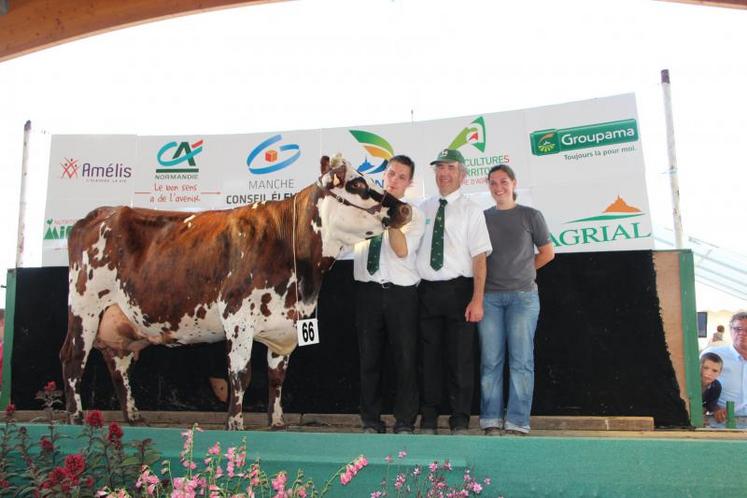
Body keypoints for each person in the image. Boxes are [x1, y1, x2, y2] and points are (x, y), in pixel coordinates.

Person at [416, 148, 492, 435]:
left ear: (462, 174)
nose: (444, 174)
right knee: (429, 359)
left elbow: (480, 258)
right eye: (440, 168)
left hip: (460, 291)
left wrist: (477, 298)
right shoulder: (422, 209)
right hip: (427, 293)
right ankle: (429, 418)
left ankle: (460, 418)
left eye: (450, 168)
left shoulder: (472, 210)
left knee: (461, 359)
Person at [478, 164, 554, 436]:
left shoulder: (531, 215)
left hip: (523, 298)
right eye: (493, 183)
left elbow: (547, 253)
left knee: (521, 361)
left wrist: (523, 271)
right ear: (488, 186)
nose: (498, 187)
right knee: (491, 361)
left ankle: (518, 422)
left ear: (514, 183)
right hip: (489, 299)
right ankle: (490, 420)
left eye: (503, 181)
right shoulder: (482, 218)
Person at [353, 155, 425, 434]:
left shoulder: (413, 214)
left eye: (401, 177)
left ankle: (405, 421)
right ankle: (370, 420)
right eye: (391, 174)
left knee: (405, 359)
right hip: (367, 292)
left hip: (401, 294)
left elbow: (402, 250)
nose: (394, 180)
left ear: (409, 183)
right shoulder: (361, 209)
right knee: (368, 358)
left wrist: (392, 218)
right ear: (384, 175)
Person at [702, 311, 747, 422]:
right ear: (730, 330)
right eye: (738, 329)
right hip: (722, 422)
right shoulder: (713, 355)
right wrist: (714, 407)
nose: (742, 333)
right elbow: (696, 385)